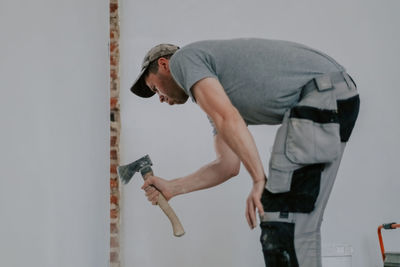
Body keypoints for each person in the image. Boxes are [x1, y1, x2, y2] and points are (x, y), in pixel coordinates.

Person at [130, 38, 360, 267]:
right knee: (298, 222)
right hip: (333, 96)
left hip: (322, 93)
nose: (159, 98)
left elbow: (228, 117)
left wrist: (259, 179)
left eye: (154, 88)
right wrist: (173, 187)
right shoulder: (214, 94)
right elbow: (227, 166)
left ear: (163, 65)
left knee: (282, 220)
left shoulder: (183, 59)